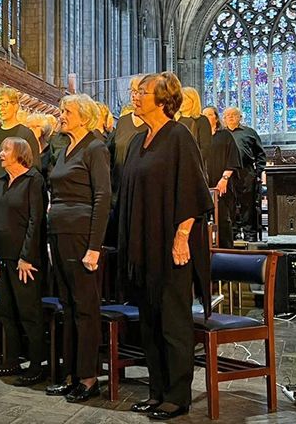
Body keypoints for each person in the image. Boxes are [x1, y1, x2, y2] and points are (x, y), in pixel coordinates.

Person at [119, 73, 212, 420]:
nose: (137, 96)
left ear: (163, 100)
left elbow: (192, 192)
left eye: (144, 92)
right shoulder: (137, 141)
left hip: (172, 245)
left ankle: (178, 395)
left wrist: (181, 237)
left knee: (172, 321)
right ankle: (156, 391)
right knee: (149, 322)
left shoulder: (179, 136)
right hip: (143, 244)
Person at [44, 95, 111, 402]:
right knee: (68, 306)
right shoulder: (64, 148)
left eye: (66, 111)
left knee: (85, 308)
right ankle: (71, 373)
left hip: (82, 235)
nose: (61, 115)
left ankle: (88, 377)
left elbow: (102, 197)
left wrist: (94, 247)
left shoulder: (95, 148)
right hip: (59, 233)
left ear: (84, 116)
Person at [0, 137, 47, 386]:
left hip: (24, 261)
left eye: (5, 149)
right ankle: (10, 361)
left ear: (19, 153)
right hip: (0, 257)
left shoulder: (33, 180)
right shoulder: (0, 182)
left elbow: (35, 220)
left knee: (29, 313)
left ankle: (35, 365)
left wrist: (26, 256)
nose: (0, 153)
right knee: (7, 312)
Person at [106, 77, 147, 248]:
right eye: (133, 91)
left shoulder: (153, 124)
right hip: (118, 193)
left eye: (140, 92)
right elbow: (112, 152)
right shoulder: (122, 121)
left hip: (142, 194)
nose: (134, 96)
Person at [0, 88, 40, 201]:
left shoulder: (26, 134)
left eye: (5, 104)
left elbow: (34, 166)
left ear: (16, 106)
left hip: (19, 195)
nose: (1, 108)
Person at [222, 107, 266, 242]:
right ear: (223, 119)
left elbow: (260, 154)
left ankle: (250, 233)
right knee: (229, 204)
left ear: (240, 117)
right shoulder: (221, 134)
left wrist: (258, 172)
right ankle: (233, 232)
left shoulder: (249, 133)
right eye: (227, 115)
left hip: (246, 172)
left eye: (234, 115)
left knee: (248, 204)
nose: (230, 117)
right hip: (226, 174)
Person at [202, 106, 240, 249]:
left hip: (222, 184)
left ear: (216, 118)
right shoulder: (198, 137)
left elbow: (233, 158)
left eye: (209, 115)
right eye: (203, 115)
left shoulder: (225, 136)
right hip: (204, 184)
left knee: (223, 219)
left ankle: (227, 252)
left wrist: (224, 179)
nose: (205, 117)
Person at [177, 87, 211, 168]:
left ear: (193, 100)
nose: (181, 102)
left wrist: (193, 164)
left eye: (184, 99)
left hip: (194, 165)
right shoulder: (175, 120)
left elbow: (205, 147)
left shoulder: (201, 120)